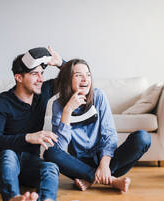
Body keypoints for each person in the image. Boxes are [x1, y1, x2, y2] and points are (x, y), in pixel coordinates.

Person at [0, 47, 80, 201]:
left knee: (51, 167)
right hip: (4, 162)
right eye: (35, 74)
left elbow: (73, 78)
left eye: (42, 73)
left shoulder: (42, 92)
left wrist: (60, 63)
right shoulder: (2, 101)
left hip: (30, 163)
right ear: (18, 77)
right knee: (8, 154)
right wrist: (28, 137)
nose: (41, 79)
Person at [44, 59, 151, 192]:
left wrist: (104, 164)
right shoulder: (58, 106)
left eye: (88, 75)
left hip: (107, 160)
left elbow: (109, 133)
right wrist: (67, 111)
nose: (85, 79)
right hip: (79, 165)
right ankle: (110, 180)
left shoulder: (98, 96)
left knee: (143, 138)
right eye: (78, 75)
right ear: (67, 79)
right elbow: (59, 148)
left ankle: (91, 178)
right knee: (50, 153)